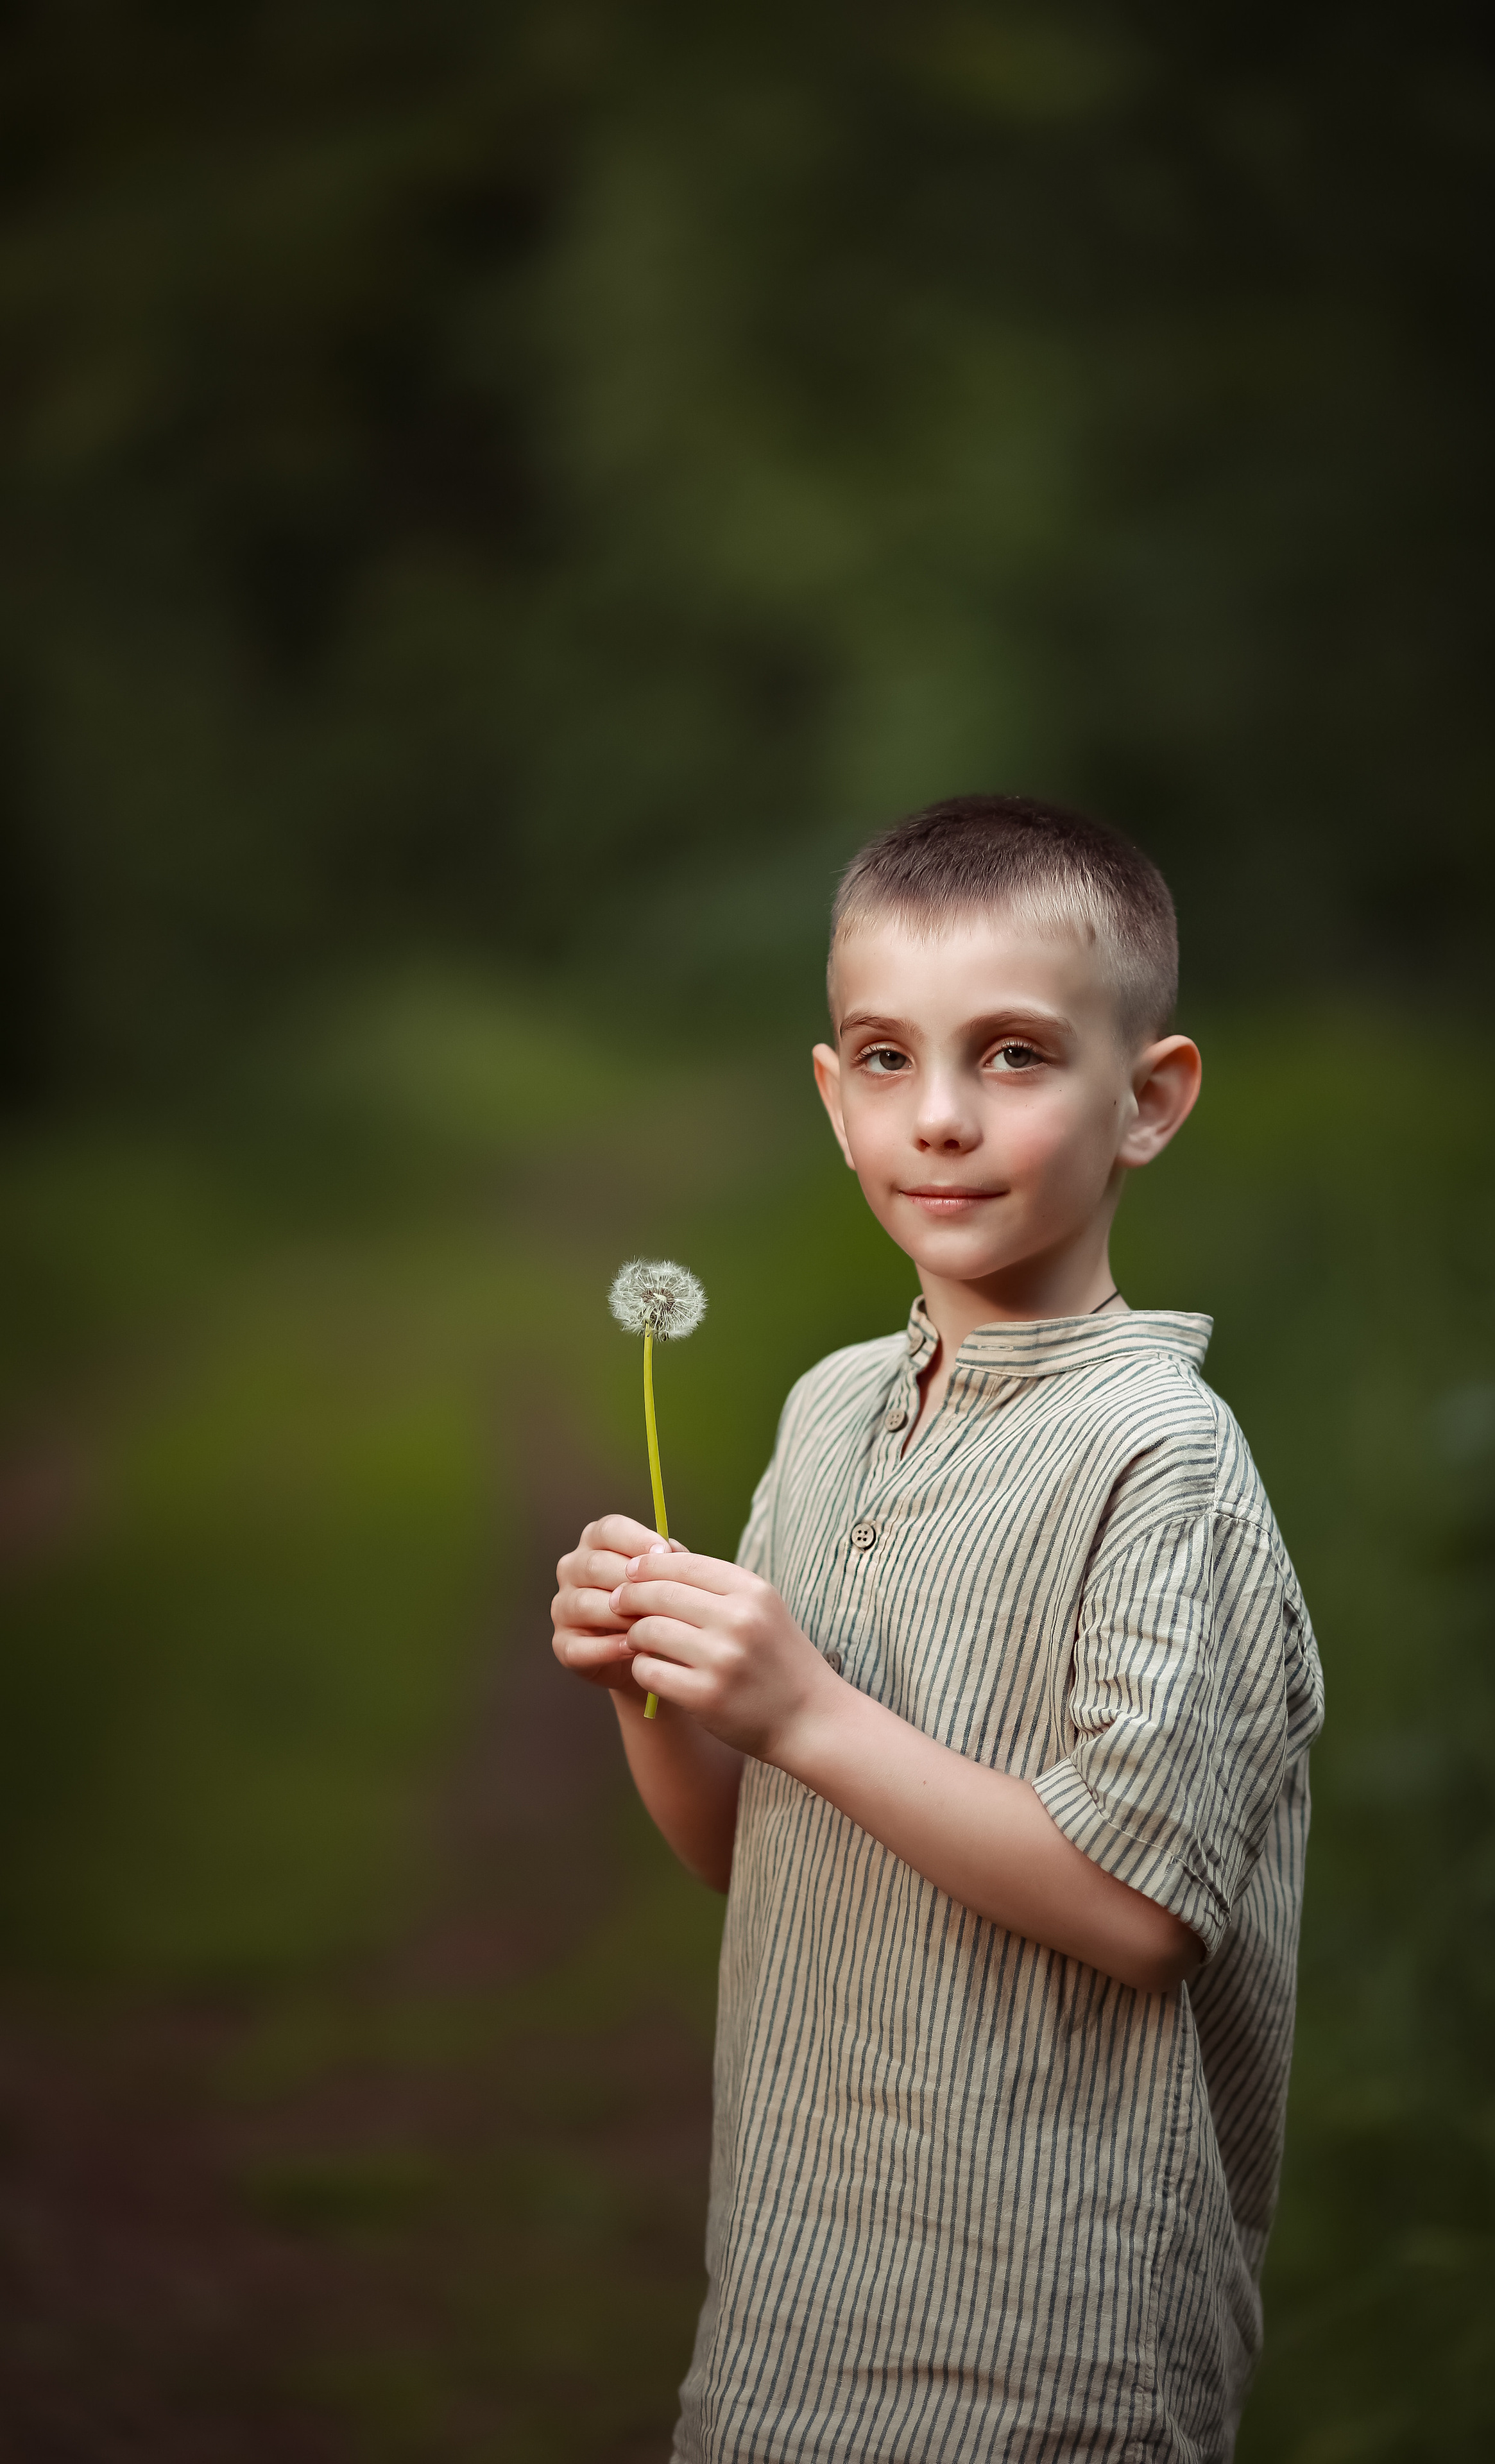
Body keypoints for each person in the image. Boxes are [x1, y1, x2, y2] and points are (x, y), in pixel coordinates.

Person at [552, 792, 1324, 2461]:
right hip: (784, 2312)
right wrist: (660, 1689)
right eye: (887, 1059)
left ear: (1151, 1101)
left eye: (1020, 1056)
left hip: (1049, 2356)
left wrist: (809, 1708)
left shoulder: (1160, 1459)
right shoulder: (831, 1411)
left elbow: (1139, 1915)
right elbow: (735, 1848)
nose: (945, 1117)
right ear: (835, 1102)